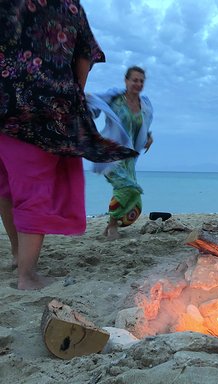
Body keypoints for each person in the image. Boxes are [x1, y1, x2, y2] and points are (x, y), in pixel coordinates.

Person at [0, 1, 136, 289]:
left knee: (6, 185)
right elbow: (84, 54)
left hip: (3, 105)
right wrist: (73, 93)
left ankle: (17, 254)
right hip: (41, 108)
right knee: (33, 188)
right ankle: (28, 275)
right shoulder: (66, 6)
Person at [87, 67, 154, 240]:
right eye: (135, 80)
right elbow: (92, 103)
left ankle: (110, 226)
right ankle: (112, 226)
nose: (138, 84)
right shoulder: (115, 98)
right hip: (110, 151)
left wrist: (148, 136)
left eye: (141, 81)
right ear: (126, 81)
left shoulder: (145, 104)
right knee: (127, 187)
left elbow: (143, 125)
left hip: (129, 156)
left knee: (127, 191)